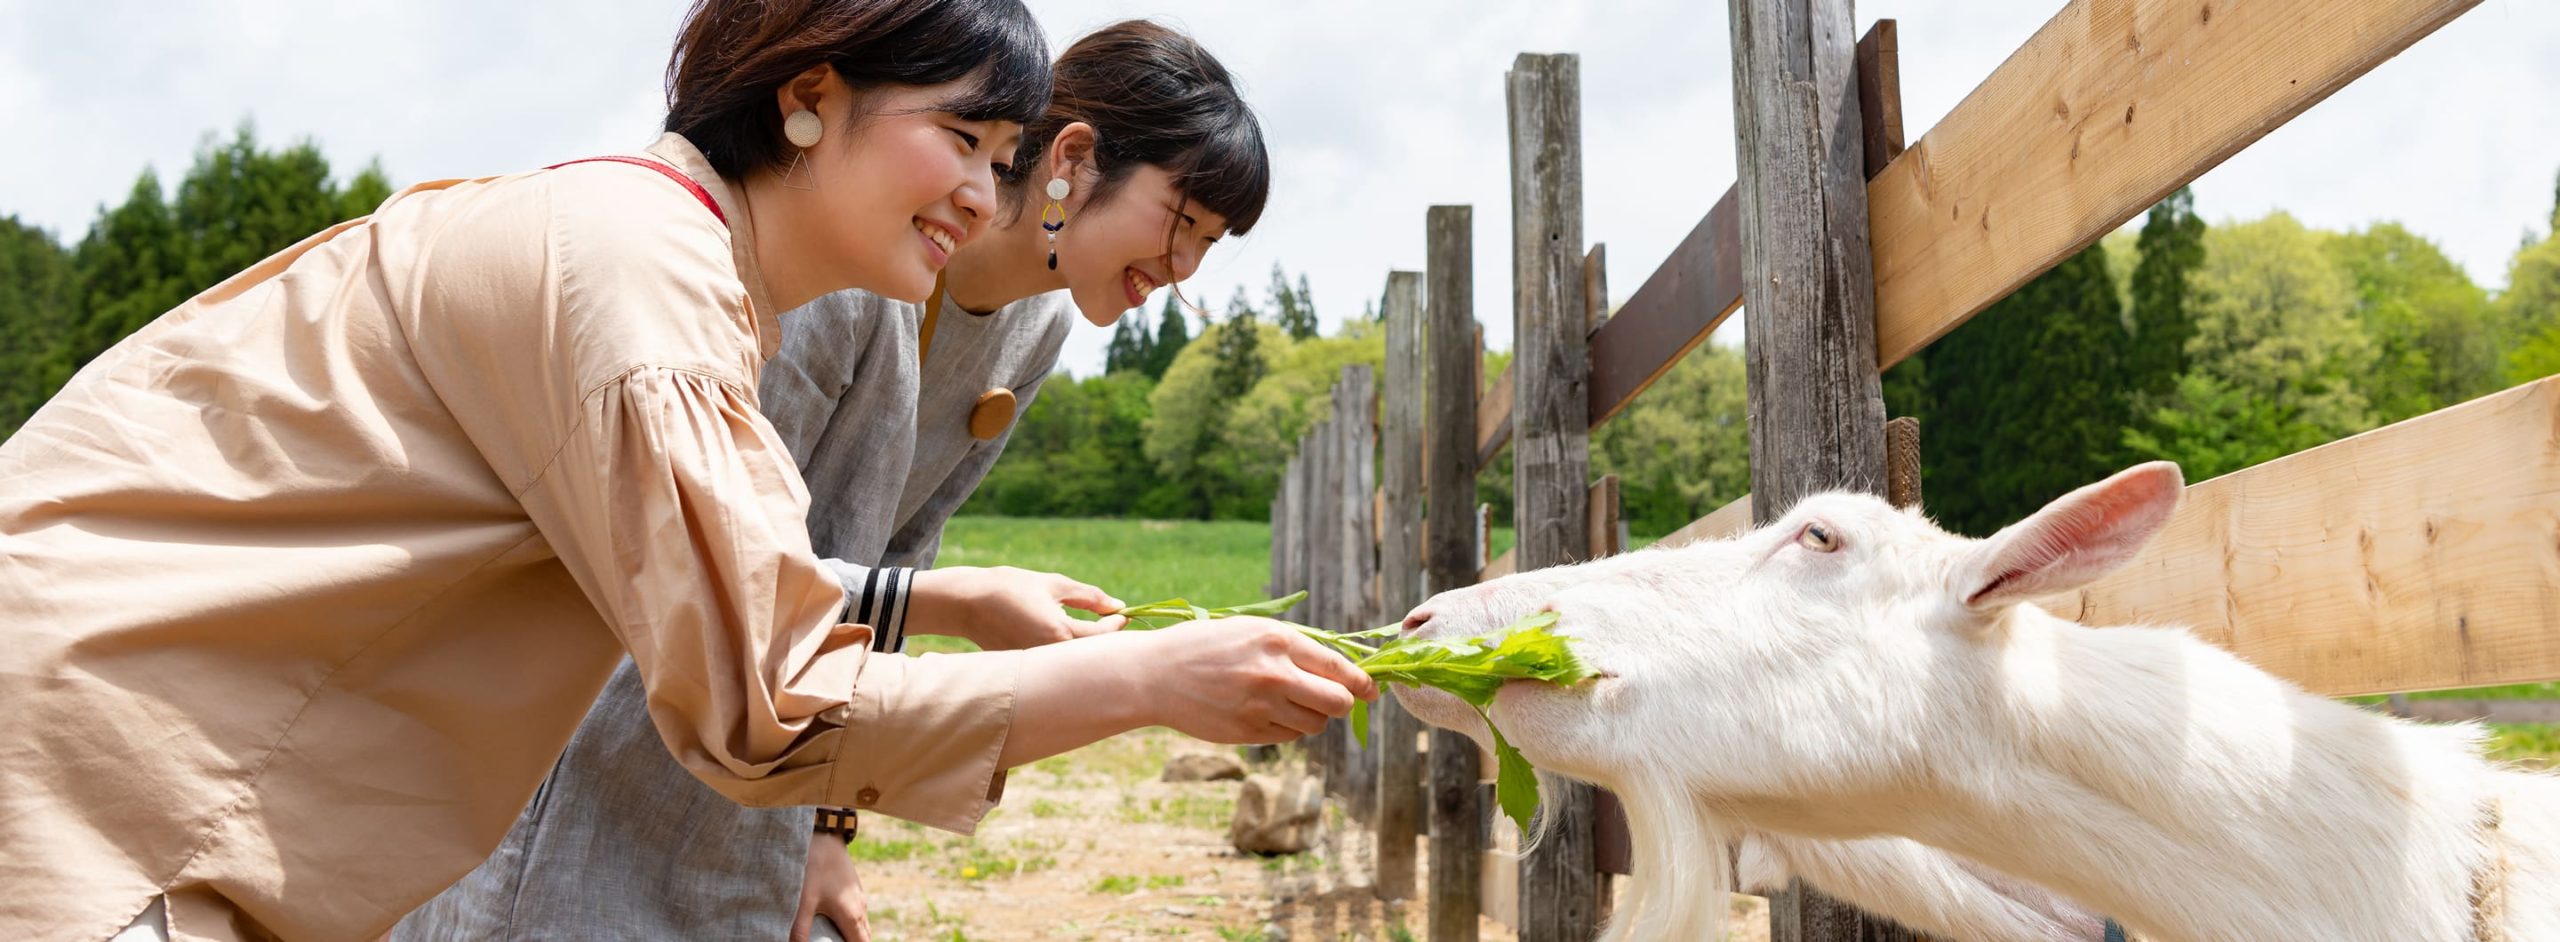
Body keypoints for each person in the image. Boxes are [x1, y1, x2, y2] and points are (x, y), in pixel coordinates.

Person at [0, 2, 1371, 939]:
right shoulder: (653, 282)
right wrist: (1145, 679)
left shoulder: (713, 263)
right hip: (123, 749)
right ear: (807, 99)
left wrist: (852, 771)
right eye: (960, 141)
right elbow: (761, 678)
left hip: (237, 742)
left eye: (998, 158)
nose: (977, 195)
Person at [396, 19, 1271, 942]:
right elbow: (697, 549)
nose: (1182, 271)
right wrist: (956, 605)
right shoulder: (851, 266)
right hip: (634, 692)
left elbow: (903, 548)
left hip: (790, 721)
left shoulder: (1033, 332)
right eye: (1182, 223)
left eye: (1210, 245)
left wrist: (831, 822)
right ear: (1075, 158)